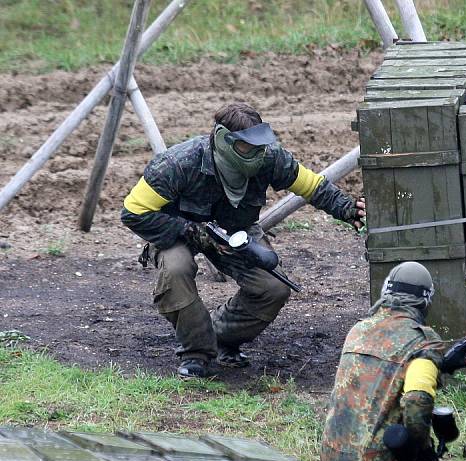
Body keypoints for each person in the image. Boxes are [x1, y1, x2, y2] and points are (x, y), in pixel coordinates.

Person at [121, 102, 365, 378]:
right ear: (225, 139)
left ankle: (220, 336)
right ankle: (196, 352)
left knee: (272, 287)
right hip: (176, 230)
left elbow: (312, 187)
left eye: (260, 146)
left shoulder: (269, 158)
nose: (257, 153)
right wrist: (191, 231)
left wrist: (348, 209)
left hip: (235, 231)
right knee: (176, 269)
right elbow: (133, 212)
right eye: (248, 147)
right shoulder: (179, 164)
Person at [320, 261, 466, 461]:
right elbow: (417, 404)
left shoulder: (359, 329)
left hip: (332, 458)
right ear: (426, 301)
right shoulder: (421, 343)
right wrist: (416, 451)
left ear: (385, 293)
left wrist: (440, 364)